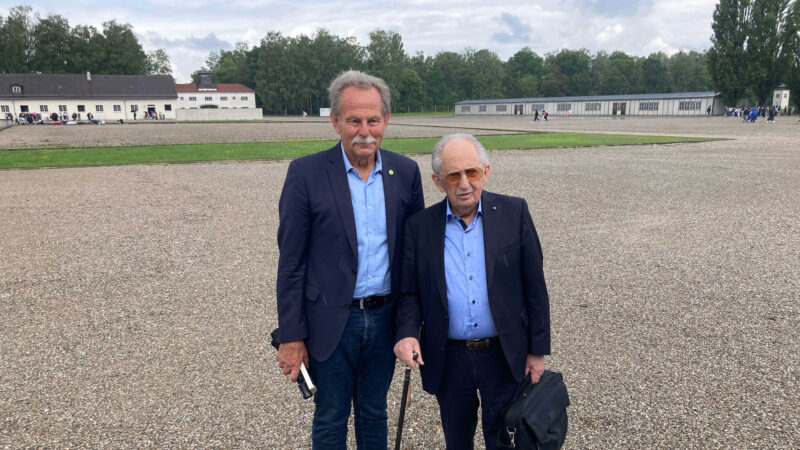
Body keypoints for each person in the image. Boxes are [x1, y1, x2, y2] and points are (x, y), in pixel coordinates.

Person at [276, 70, 425, 449]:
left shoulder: (405, 173)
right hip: (331, 322)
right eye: (354, 120)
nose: (365, 130)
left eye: (373, 120)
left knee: (374, 413)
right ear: (335, 122)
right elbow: (291, 262)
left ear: (386, 120)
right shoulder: (306, 174)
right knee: (331, 416)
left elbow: (412, 260)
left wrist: (412, 323)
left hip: (384, 318)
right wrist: (292, 335)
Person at [394, 133, 551, 450]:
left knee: (505, 440)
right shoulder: (419, 228)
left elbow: (535, 286)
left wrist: (537, 350)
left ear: (486, 172)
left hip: (504, 355)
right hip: (450, 358)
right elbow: (409, 293)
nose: (464, 183)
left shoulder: (514, 212)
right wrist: (407, 333)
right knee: (457, 440)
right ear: (439, 181)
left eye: (472, 172)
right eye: (454, 175)